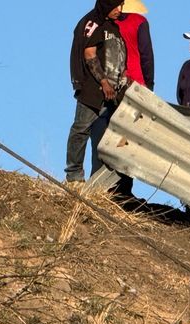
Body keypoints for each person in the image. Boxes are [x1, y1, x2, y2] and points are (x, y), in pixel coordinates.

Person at [65, 0, 129, 185]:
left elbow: (118, 57)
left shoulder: (113, 26)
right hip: (93, 90)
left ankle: (103, 183)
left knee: (109, 137)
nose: (119, 10)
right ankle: (74, 176)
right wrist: (103, 81)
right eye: (116, 5)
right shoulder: (92, 23)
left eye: (121, 5)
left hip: (113, 94)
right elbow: (89, 54)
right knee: (81, 129)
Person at [116, 0, 154, 91]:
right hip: (136, 81)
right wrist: (149, 84)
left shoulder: (107, 23)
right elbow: (146, 55)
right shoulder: (140, 21)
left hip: (112, 81)